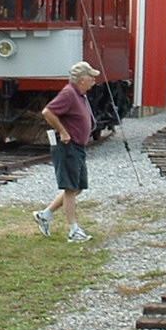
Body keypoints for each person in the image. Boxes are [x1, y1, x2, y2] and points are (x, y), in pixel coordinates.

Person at [33, 60, 100, 243]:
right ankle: (73, 230)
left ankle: (45, 215)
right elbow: (47, 112)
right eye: (91, 77)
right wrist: (63, 132)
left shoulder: (80, 94)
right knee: (70, 188)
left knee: (77, 187)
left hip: (77, 147)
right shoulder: (69, 93)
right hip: (68, 147)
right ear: (82, 79)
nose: (93, 80)